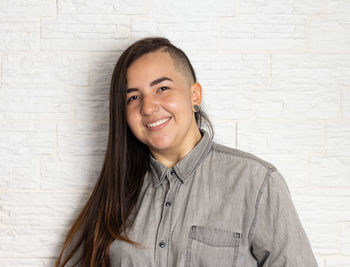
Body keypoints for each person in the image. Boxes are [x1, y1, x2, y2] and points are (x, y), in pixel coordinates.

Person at [55, 37, 318, 267]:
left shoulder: (257, 183)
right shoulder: (115, 192)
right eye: (133, 97)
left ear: (195, 95)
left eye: (162, 88)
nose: (148, 107)